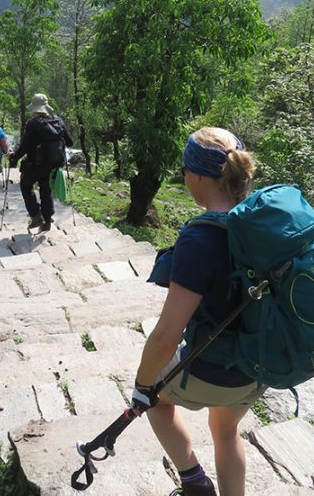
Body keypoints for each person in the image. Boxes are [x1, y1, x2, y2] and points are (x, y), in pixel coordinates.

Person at [131, 127, 260, 496]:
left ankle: (195, 483)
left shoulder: (200, 238)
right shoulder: (259, 222)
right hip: (257, 364)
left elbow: (167, 336)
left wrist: (142, 385)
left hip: (213, 368)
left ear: (199, 175)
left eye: (186, 170)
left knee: (155, 402)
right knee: (225, 429)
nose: (185, 177)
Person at [8, 93, 73, 232]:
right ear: (46, 107)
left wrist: (14, 157)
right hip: (53, 165)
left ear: (35, 108)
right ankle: (47, 220)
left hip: (35, 165)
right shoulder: (58, 121)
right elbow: (70, 142)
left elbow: (25, 147)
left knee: (26, 186)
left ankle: (36, 215)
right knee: (46, 189)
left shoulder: (33, 124)